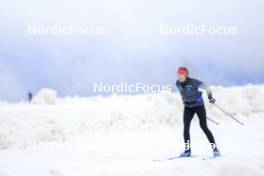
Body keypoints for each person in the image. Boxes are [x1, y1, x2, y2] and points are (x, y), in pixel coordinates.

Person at [176, 67, 220, 157]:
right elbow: (183, 94)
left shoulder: (193, 82)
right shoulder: (178, 84)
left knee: (204, 127)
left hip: (198, 106)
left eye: (181, 75)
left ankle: (215, 149)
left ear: (185, 75)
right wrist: (184, 100)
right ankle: (187, 151)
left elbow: (207, 87)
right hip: (188, 107)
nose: (179, 77)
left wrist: (210, 97)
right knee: (186, 128)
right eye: (178, 74)